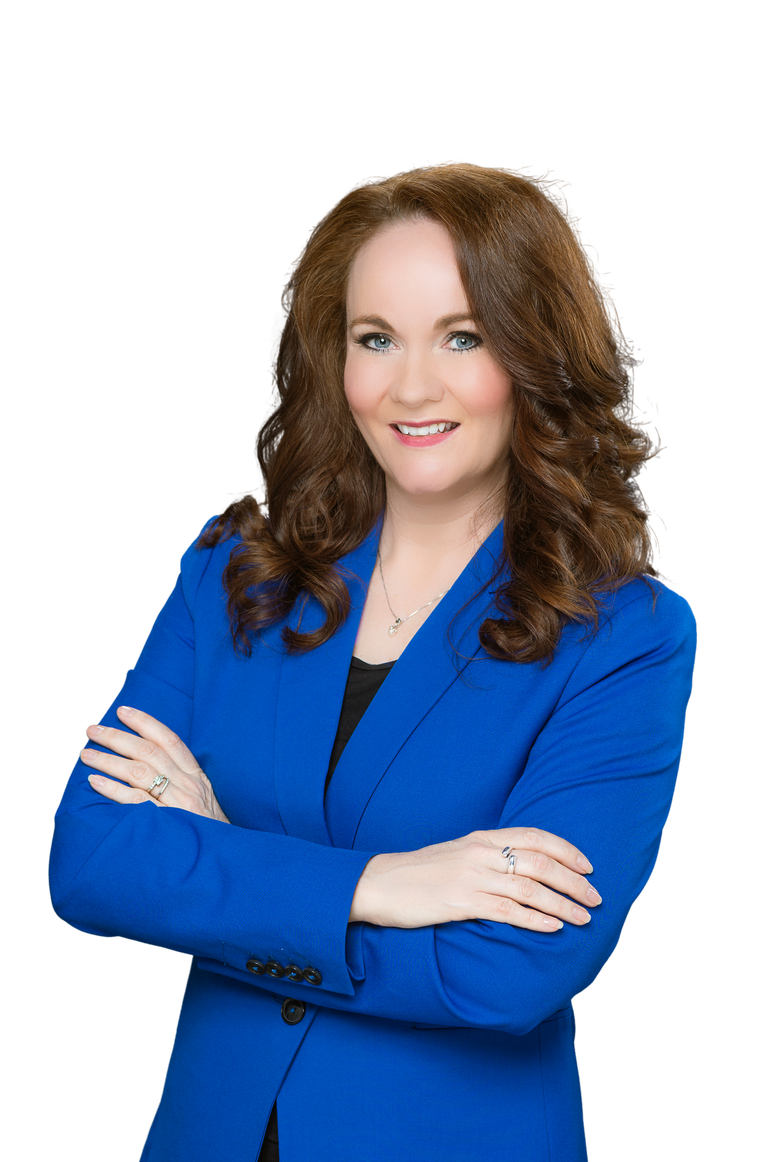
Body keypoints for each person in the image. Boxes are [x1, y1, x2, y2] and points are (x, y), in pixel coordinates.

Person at [47, 158, 699, 1161]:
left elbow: (508, 972)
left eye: (463, 336)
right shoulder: (234, 568)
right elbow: (90, 862)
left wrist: (217, 860)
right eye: (375, 338)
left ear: (535, 352)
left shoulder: (626, 634)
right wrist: (382, 885)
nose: (410, 387)